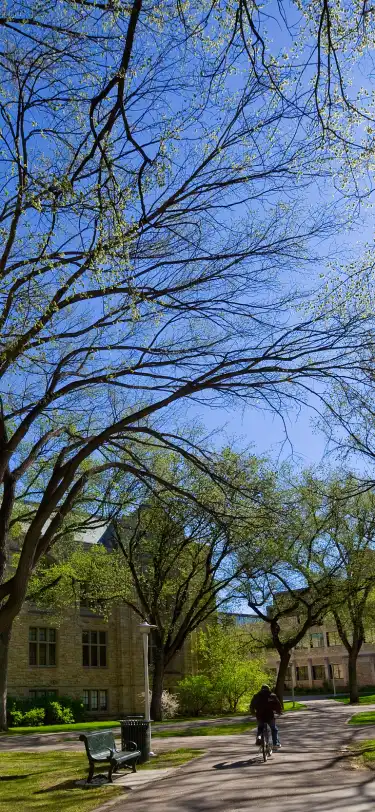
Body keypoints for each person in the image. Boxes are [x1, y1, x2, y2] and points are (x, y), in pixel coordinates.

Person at [249, 684, 282, 748]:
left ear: (261, 689)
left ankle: (259, 737)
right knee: (274, 729)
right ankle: (275, 743)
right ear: (268, 689)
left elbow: (251, 705)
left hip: (260, 715)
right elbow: (278, 705)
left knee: (260, 728)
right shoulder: (272, 696)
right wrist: (279, 711)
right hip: (269, 715)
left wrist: (253, 712)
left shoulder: (256, 696)